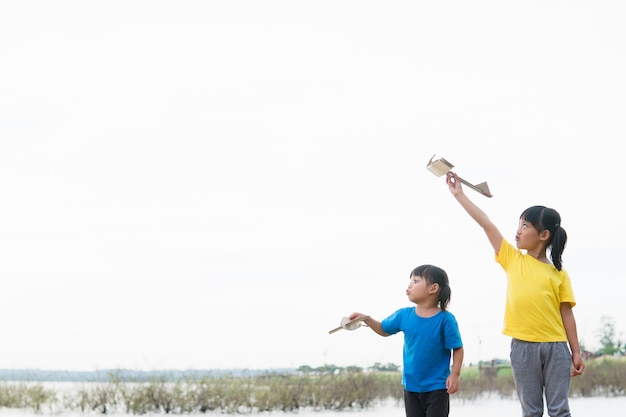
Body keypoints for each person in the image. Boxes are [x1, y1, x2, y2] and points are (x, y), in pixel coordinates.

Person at [444, 172, 585, 417]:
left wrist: (576, 351)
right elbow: (487, 224)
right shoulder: (512, 259)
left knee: (560, 410)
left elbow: (567, 314)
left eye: (525, 226)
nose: (517, 231)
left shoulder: (559, 274)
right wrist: (459, 195)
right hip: (522, 347)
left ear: (544, 236)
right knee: (531, 412)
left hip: (556, 348)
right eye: (519, 225)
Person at [349, 264, 464, 417]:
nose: (410, 285)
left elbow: (457, 348)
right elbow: (383, 329)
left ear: (433, 288)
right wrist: (367, 319)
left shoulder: (446, 319)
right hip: (411, 385)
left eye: (416, 281)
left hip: (437, 386)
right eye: (410, 280)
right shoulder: (403, 315)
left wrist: (454, 375)